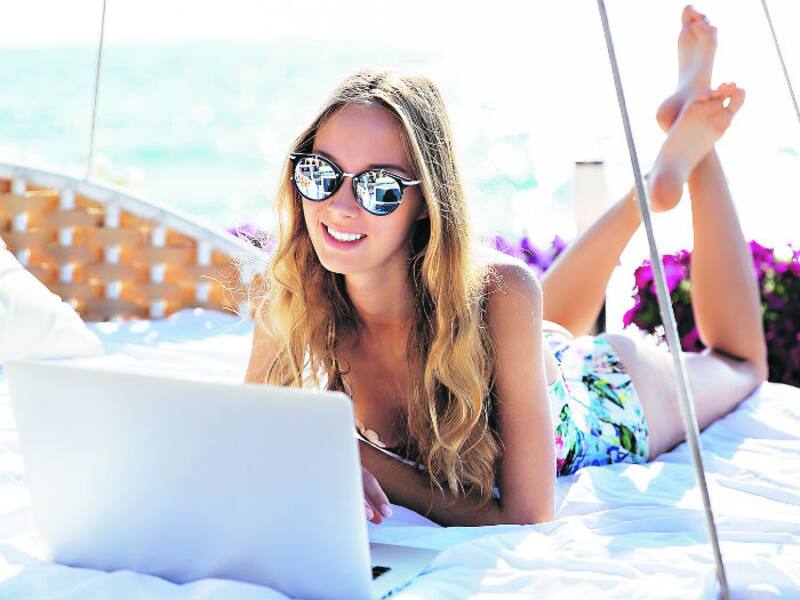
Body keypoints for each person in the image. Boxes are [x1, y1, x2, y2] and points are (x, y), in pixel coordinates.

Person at [244, 4, 767, 528]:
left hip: (599, 397)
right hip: (509, 354)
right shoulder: (290, 289)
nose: (339, 205)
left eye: (378, 187)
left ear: (427, 200)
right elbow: (246, 438)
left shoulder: (500, 291)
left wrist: (348, 452)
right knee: (521, 324)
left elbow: (530, 514)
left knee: (740, 363)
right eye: (320, 172)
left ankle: (692, 147)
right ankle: (653, 185)